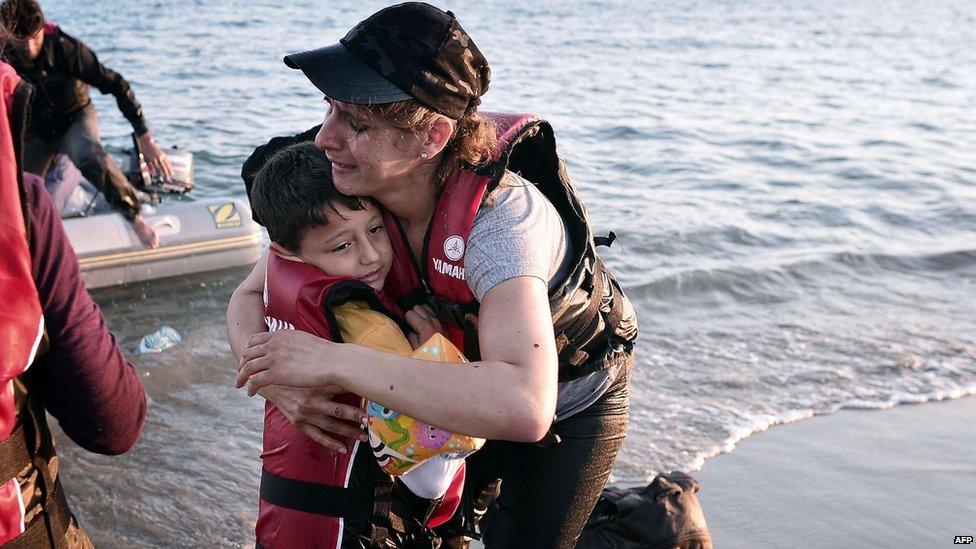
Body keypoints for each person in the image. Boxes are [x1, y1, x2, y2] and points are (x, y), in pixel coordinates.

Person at [228, 3, 638, 547]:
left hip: (570, 396)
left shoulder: (501, 222)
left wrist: (329, 361)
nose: (326, 139)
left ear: (433, 135)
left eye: (356, 122)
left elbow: (523, 404)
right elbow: (251, 292)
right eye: (330, 108)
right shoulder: (354, 175)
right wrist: (276, 382)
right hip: (444, 380)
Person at [246, 142, 483, 547]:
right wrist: (436, 354)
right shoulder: (371, 329)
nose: (371, 256)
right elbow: (428, 479)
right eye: (343, 246)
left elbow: (246, 294)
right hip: (348, 530)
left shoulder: (281, 282)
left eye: (375, 230)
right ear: (286, 253)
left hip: (284, 519)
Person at [0, 59, 146, 547]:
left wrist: (142, 132)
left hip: (74, 123)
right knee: (33, 192)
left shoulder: (68, 52)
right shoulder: (27, 206)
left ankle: (134, 214)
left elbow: (116, 86)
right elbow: (116, 424)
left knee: (84, 153)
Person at [0, 0, 173, 249]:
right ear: (5, 32)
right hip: (37, 131)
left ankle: (135, 219)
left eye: (34, 38)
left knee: (86, 152)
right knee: (18, 183)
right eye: (20, 39)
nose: (28, 47)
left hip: (75, 117)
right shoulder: (3, 52)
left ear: (42, 29)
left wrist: (145, 137)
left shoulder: (65, 47)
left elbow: (116, 84)